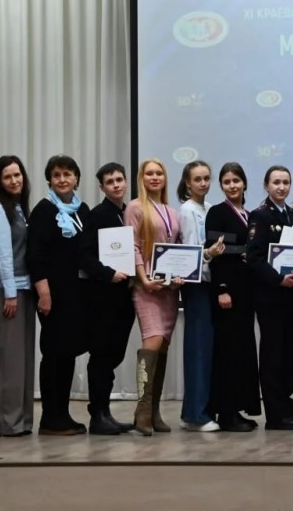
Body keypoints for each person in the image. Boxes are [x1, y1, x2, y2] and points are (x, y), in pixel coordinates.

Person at [26, 155, 91, 436]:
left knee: (67, 353)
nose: (62, 179)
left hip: (75, 294)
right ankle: (50, 418)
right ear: (49, 181)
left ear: (77, 178)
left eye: (67, 174)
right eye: (56, 175)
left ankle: (62, 414)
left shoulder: (82, 210)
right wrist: (44, 293)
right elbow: (35, 256)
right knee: (53, 353)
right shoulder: (44, 210)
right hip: (52, 295)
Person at [125, 158, 183, 436]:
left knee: (163, 347)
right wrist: (144, 278)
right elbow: (133, 246)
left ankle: (153, 411)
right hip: (146, 287)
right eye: (149, 173)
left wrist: (181, 275)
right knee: (153, 340)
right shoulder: (135, 207)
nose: (155, 177)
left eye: (159, 173)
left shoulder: (172, 211)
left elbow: (178, 249)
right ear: (142, 178)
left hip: (168, 290)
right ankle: (143, 410)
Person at [246, 165, 293, 430]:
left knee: (289, 354)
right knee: (273, 354)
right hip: (270, 296)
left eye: (286, 182)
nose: (282, 187)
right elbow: (254, 258)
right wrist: (278, 279)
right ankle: (275, 414)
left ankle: (287, 409)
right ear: (266, 186)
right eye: (276, 182)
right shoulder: (259, 216)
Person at [76, 162, 135, 435]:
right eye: (110, 181)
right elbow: (84, 255)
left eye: (119, 179)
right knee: (101, 355)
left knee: (115, 354)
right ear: (102, 187)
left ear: (126, 182)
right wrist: (108, 274)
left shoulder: (129, 212)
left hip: (126, 296)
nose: (116, 185)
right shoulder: (98, 214)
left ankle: (105, 412)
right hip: (103, 297)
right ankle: (97, 415)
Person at [205, 162, 261, 431]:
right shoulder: (217, 213)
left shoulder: (250, 215)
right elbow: (217, 255)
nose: (232, 185)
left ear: (244, 183)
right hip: (228, 293)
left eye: (236, 180)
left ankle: (238, 408)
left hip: (246, 292)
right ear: (221, 186)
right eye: (227, 182)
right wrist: (222, 288)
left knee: (242, 351)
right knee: (227, 352)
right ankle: (226, 413)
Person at [0, 156, 35, 437]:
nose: (15, 181)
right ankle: (7, 422)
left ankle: (22, 421)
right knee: (10, 360)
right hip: (7, 293)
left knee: (23, 360)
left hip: (24, 290)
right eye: (8, 177)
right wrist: (10, 293)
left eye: (18, 175)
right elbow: (3, 254)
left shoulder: (20, 208)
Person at [176, 161, 225, 432]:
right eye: (197, 179)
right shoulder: (187, 210)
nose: (203, 183)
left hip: (210, 283)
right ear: (187, 183)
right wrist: (209, 254)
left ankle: (196, 411)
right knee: (198, 348)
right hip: (196, 285)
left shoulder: (209, 208)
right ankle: (196, 415)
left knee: (207, 349)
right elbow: (189, 251)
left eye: (207, 178)